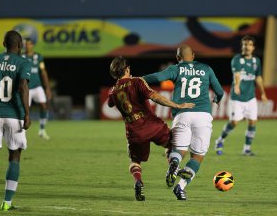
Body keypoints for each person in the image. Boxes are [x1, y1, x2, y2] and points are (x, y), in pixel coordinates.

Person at [108, 56, 194, 201]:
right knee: (173, 145)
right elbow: (154, 96)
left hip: (134, 132)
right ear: (127, 68)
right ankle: (174, 167)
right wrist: (177, 105)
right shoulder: (137, 82)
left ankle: (138, 181)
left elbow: (110, 104)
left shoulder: (113, 91)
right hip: (152, 125)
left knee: (135, 162)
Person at [143, 45, 224, 200]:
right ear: (193, 55)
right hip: (203, 115)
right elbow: (219, 91)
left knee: (178, 151)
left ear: (177, 57)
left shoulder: (177, 69)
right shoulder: (206, 68)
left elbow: (157, 77)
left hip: (182, 114)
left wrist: (138, 80)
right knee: (198, 156)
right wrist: (217, 98)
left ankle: (174, 164)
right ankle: (180, 187)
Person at [0, 30, 32, 211]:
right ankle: (6, 203)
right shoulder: (23, 62)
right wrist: (27, 114)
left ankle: (7, 203)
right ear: (20, 44)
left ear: (4, 43)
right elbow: (22, 86)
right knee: (14, 155)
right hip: (14, 115)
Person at [214, 35, 268, 156]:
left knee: (252, 122)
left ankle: (246, 149)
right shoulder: (237, 59)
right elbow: (237, 74)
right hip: (237, 98)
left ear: (253, 47)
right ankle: (220, 140)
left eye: (249, 44)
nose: (246, 47)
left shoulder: (256, 61)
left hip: (251, 98)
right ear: (242, 46)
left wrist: (263, 94)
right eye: (244, 45)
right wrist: (237, 85)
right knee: (234, 123)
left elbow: (258, 77)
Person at [22, 38, 52, 140]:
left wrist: (47, 88)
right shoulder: (21, 57)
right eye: (26, 44)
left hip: (38, 86)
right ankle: (22, 132)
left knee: (44, 105)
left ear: (32, 45)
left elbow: (43, 72)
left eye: (29, 44)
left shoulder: (38, 56)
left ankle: (42, 130)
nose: (27, 46)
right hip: (26, 88)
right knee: (25, 110)